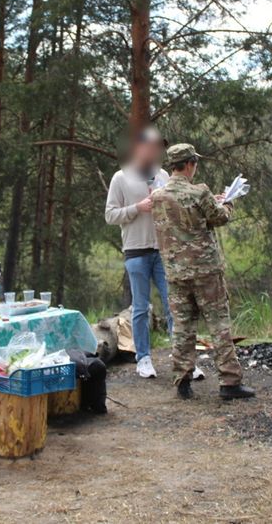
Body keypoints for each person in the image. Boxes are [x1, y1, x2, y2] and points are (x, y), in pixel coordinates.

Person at [150, 144, 255, 400]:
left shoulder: (158, 196)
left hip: (175, 273)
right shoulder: (200, 192)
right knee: (218, 325)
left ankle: (182, 382)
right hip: (206, 271)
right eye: (194, 163)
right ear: (188, 164)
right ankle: (229, 383)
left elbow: (182, 218)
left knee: (183, 328)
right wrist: (227, 202)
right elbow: (219, 218)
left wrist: (211, 203)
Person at [105, 127, 178, 379]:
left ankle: (182, 356)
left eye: (160, 146)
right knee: (140, 307)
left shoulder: (164, 176)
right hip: (136, 251)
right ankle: (143, 358)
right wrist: (138, 207)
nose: (157, 151)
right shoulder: (120, 178)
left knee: (174, 304)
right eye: (152, 145)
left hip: (162, 250)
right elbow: (110, 215)